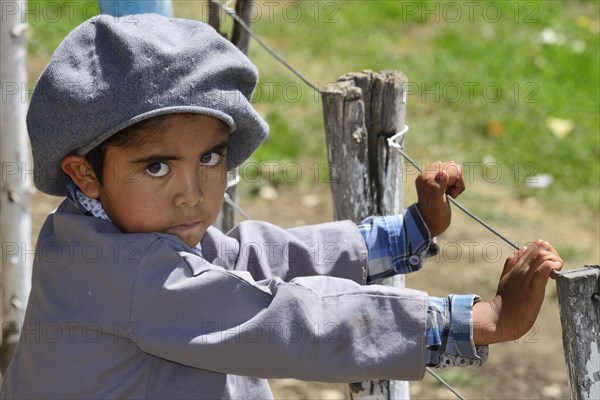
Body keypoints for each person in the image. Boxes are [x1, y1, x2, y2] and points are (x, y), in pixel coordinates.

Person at [0, 14, 562, 399]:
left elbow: (252, 259)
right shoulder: (130, 274)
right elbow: (289, 324)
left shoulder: (94, 228)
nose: (191, 191)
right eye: (156, 165)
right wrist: (473, 322)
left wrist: (405, 233)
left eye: (211, 157)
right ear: (84, 173)